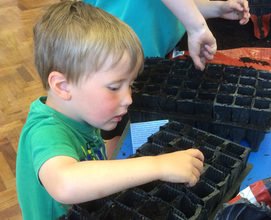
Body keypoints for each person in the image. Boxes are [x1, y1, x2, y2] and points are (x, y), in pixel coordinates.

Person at [16, 2, 204, 219]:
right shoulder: (45, 132)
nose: (128, 99)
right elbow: (64, 183)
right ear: (63, 86)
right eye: (114, 87)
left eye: (130, 85)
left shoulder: (81, 114)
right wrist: (158, 165)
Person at [82, 0, 251, 154]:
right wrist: (197, 27)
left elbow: (169, 6)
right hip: (110, 61)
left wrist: (217, 8)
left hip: (146, 63)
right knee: (112, 132)